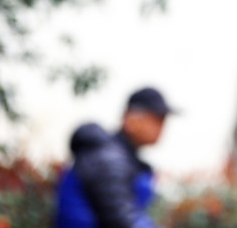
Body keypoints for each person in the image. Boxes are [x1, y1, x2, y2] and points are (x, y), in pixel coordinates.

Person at [55, 87, 173, 228]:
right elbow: (121, 221)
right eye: (157, 119)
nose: (162, 127)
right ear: (132, 119)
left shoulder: (122, 159)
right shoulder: (107, 160)